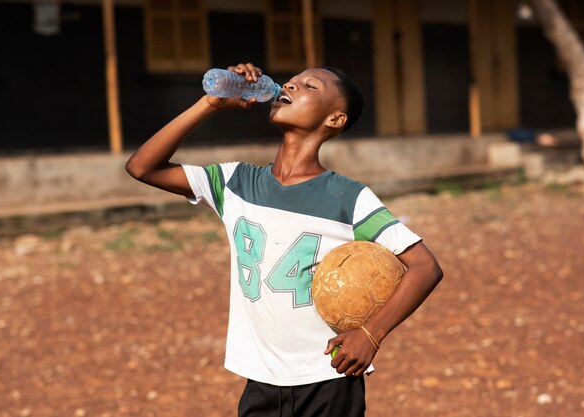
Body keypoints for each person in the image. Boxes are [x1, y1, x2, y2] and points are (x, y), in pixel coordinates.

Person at [126, 63, 443, 417]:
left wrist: (371, 334)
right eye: (290, 81)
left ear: (335, 120)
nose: (290, 86)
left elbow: (425, 267)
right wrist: (210, 104)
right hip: (260, 379)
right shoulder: (235, 182)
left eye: (309, 86)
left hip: (329, 378)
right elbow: (142, 167)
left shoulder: (346, 197)